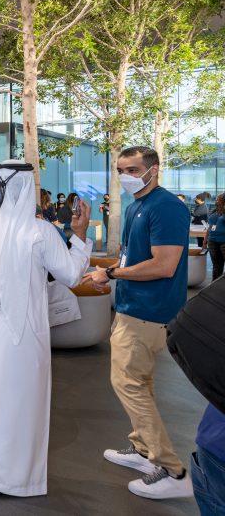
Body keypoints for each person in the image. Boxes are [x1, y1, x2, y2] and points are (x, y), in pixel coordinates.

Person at [0, 160, 93, 497]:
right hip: (22, 338)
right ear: (28, 188)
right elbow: (70, 275)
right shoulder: (38, 232)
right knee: (17, 402)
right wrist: (80, 237)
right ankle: (6, 478)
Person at [86, 146, 192, 499]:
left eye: (132, 169)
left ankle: (172, 470)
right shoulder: (136, 208)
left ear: (154, 170)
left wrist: (112, 273)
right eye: (120, 169)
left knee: (127, 382)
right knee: (139, 382)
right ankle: (143, 449)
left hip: (150, 311)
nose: (125, 176)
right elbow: (134, 256)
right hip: (132, 306)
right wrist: (111, 272)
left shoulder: (168, 207)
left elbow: (164, 265)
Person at [207, 193, 225, 280]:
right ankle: (214, 289)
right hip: (212, 241)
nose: (216, 201)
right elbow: (210, 226)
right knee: (216, 266)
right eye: (216, 199)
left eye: (219, 199)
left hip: (223, 241)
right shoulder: (214, 211)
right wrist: (204, 241)